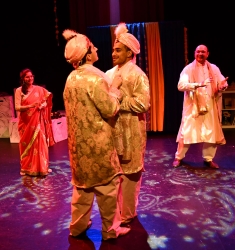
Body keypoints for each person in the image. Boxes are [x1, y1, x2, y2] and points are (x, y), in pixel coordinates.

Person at [62, 29, 131, 240]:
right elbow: (109, 109)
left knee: (82, 191)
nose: (97, 49)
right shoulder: (96, 78)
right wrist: (116, 89)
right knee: (107, 190)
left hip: (77, 148)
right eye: (93, 47)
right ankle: (111, 230)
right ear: (86, 53)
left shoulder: (70, 78)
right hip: (98, 147)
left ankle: (77, 227)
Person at [106, 23, 150, 225]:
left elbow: (143, 104)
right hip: (113, 130)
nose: (113, 53)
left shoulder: (138, 74)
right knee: (115, 174)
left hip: (131, 131)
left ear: (129, 52)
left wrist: (118, 100)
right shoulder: (107, 74)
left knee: (131, 173)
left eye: (118, 50)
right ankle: (116, 212)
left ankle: (128, 213)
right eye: (113, 50)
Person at [172, 44, 228, 169]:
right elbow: (180, 86)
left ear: (208, 54)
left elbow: (222, 82)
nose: (200, 54)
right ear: (194, 53)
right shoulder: (188, 69)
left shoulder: (213, 68)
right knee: (186, 133)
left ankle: (208, 159)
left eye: (203, 52)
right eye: (198, 52)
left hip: (210, 106)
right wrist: (198, 84)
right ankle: (178, 157)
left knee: (211, 133)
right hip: (193, 107)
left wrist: (223, 86)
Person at [15, 68, 55, 176]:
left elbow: (47, 99)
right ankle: (25, 168)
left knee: (41, 143)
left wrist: (43, 105)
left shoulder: (39, 89)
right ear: (23, 79)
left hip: (37, 121)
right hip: (26, 122)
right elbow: (17, 107)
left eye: (31, 76)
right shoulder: (19, 91)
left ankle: (43, 167)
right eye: (27, 77)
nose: (30, 78)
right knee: (26, 144)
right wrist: (30, 106)